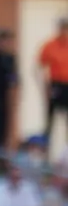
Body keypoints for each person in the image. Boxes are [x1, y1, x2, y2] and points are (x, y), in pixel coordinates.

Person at [37, 18, 68, 164]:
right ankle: (45, 156)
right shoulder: (50, 45)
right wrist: (45, 88)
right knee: (50, 122)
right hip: (55, 85)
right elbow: (41, 67)